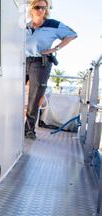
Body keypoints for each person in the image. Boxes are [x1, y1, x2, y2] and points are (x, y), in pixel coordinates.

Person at [25, 0, 77, 140]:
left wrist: (56, 48)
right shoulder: (24, 25)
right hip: (22, 61)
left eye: (44, 7)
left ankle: (29, 130)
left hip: (40, 62)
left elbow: (72, 34)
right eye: (37, 7)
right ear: (31, 8)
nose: (41, 10)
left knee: (34, 98)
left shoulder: (53, 24)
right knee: (13, 93)